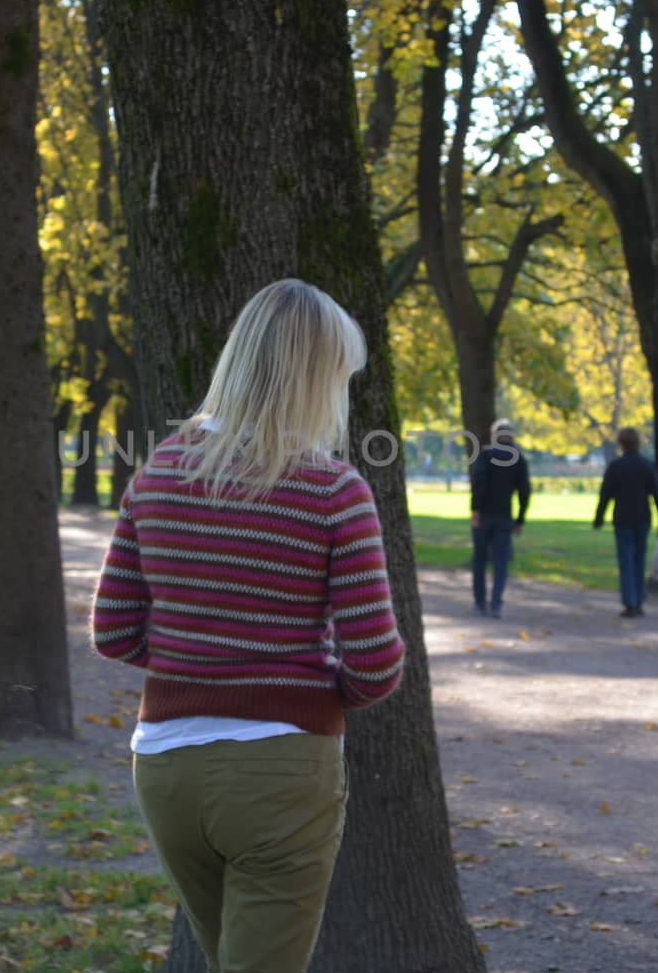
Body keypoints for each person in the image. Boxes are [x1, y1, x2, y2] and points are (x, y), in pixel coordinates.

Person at [91, 278, 405, 973]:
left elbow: (114, 631)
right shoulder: (334, 492)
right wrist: (296, 687)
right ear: (319, 377)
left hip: (166, 768)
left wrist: (199, 657)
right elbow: (375, 667)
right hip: (280, 772)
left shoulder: (156, 476)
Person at [592, 427, 658, 617]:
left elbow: (605, 494)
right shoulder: (647, 466)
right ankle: (639, 599)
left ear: (621, 444)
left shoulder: (616, 466)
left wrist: (599, 518)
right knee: (639, 560)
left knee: (625, 560)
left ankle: (630, 601)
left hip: (622, 518)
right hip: (642, 517)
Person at [469, 418, 531, 619]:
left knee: (479, 559)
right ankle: (496, 603)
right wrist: (520, 519)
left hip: (484, 515)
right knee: (501, 561)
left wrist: (476, 509)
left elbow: (479, 482)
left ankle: (480, 602)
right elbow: (524, 492)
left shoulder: (486, 455)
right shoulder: (518, 458)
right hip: (505, 516)